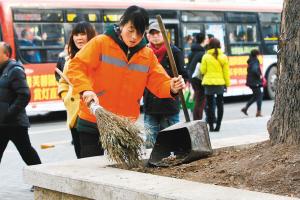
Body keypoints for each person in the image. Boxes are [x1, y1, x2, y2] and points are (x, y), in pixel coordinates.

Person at [66, 6, 185, 158]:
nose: (134, 37)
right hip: (93, 119)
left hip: (125, 124)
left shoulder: (147, 55)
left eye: (140, 32)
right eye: (130, 30)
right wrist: (86, 90)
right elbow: (76, 66)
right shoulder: (101, 43)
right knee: (91, 170)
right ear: (122, 24)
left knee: (125, 171)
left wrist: (171, 86)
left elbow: (159, 81)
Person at [144, 22, 187, 148]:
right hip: (150, 106)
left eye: (158, 33)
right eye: (152, 33)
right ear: (147, 36)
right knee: (150, 144)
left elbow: (184, 74)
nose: (155, 36)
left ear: (164, 35)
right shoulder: (144, 53)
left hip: (170, 105)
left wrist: (180, 82)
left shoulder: (174, 52)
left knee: (172, 142)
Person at [57, 22, 96, 159]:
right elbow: (63, 82)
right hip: (75, 114)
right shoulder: (70, 61)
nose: (79, 38)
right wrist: (65, 97)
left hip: (92, 113)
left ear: (90, 36)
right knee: (79, 155)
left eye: (83, 34)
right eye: (76, 34)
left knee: (92, 157)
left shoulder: (98, 58)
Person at [0, 42, 42, 166]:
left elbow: (24, 95)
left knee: (26, 152)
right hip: (2, 123)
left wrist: (8, 113)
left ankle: (40, 178)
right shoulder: (2, 70)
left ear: (6, 54)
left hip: (14, 123)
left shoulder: (15, 70)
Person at [200, 38, 230, 132]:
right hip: (220, 83)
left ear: (210, 46)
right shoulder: (224, 57)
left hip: (208, 84)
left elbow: (202, 70)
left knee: (209, 105)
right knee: (220, 104)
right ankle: (218, 126)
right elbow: (226, 73)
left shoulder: (205, 56)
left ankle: (211, 126)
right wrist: (227, 84)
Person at [187, 33, 208, 120]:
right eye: (206, 38)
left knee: (198, 98)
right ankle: (197, 120)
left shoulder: (192, 51)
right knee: (200, 100)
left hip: (192, 77)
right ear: (203, 40)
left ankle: (197, 118)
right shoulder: (202, 53)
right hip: (199, 79)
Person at [241, 49, 263, 117]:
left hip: (251, 81)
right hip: (255, 82)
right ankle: (258, 112)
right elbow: (254, 70)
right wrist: (259, 75)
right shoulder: (255, 61)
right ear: (256, 54)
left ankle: (245, 108)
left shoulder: (251, 60)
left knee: (256, 96)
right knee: (259, 96)